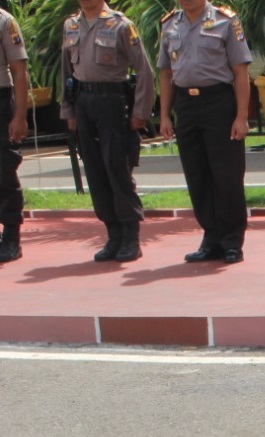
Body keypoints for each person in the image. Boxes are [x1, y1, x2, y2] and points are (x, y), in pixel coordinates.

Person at [157, 0, 252, 265]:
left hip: (219, 102)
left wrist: (241, 116)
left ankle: (232, 241)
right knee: (197, 175)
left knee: (227, 175)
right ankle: (211, 239)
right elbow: (165, 73)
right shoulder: (169, 24)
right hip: (186, 104)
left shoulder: (225, 20)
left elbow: (240, 70)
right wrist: (165, 114)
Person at [60, 0, 154, 263]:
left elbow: (144, 71)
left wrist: (140, 112)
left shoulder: (121, 25)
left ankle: (130, 237)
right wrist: (68, 110)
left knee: (117, 168)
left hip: (113, 101)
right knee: (94, 169)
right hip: (83, 103)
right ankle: (113, 235)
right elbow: (66, 71)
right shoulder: (71, 25)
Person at [0, 7, 28, 264]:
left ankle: (11, 237)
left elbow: (19, 70)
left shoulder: (5, 21)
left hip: (0, 99)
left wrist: (19, 115)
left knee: (4, 170)